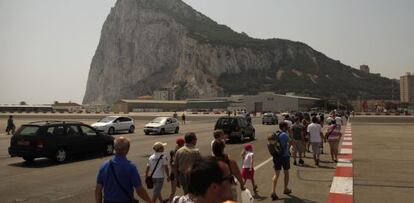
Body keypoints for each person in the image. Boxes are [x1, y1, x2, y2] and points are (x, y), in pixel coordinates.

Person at [95, 136, 152, 203]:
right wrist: (149, 201)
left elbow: (98, 189)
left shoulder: (104, 165)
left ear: (114, 148)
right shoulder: (130, 167)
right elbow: (139, 189)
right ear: (127, 149)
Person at [269, 122, 292, 200]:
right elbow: (291, 142)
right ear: (284, 127)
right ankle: (285, 189)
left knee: (276, 174)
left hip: (276, 156)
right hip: (285, 156)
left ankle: (273, 191)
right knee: (286, 173)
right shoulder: (284, 135)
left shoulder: (276, 134)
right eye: (287, 127)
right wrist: (288, 149)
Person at [168, 137, 185, 202]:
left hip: (173, 173)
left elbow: (171, 163)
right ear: (183, 143)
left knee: (173, 192)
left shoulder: (173, 151)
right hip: (179, 174)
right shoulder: (182, 151)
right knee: (186, 190)